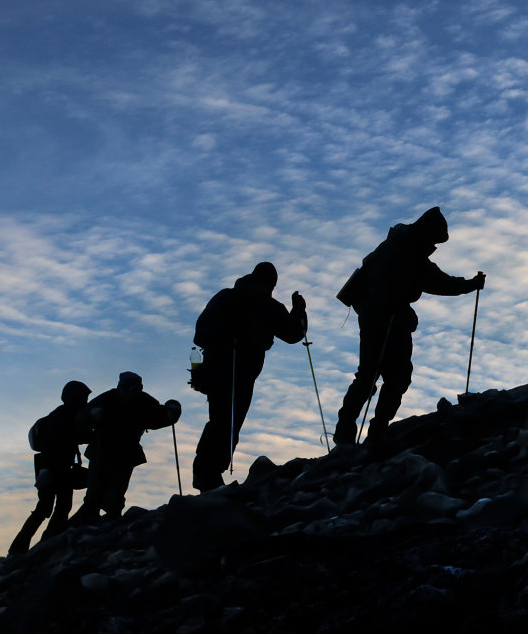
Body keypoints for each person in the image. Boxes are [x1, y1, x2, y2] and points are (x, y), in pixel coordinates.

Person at [333, 207, 485, 446]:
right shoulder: (408, 251)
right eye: (435, 239)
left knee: (369, 375)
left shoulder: (394, 244)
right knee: (395, 377)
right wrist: (470, 285)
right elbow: (437, 281)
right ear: (427, 233)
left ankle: (346, 433)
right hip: (390, 319)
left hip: (374, 317)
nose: (434, 245)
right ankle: (376, 433)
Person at [189, 262, 308, 492]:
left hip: (217, 370)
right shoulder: (268, 305)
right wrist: (299, 310)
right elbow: (294, 334)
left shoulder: (225, 296)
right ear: (271, 284)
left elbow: (199, 334)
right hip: (241, 372)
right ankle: (208, 474)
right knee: (230, 422)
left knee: (220, 420)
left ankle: (207, 473)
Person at [68, 372, 180, 525]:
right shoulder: (116, 398)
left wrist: (170, 413)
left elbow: (159, 418)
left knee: (112, 497)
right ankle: (89, 524)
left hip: (120, 453)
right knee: (97, 497)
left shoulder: (134, 400)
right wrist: (171, 411)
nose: (131, 392)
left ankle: (103, 524)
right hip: (106, 451)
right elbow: (82, 419)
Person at [7, 380, 92, 555]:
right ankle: (39, 543)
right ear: (73, 398)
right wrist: (46, 471)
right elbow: (52, 443)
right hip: (53, 468)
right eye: (83, 397)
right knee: (52, 507)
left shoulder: (65, 415)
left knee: (50, 507)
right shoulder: (62, 417)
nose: (85, 401)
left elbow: (78, 437)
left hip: (53, 468)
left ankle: (34, 543)